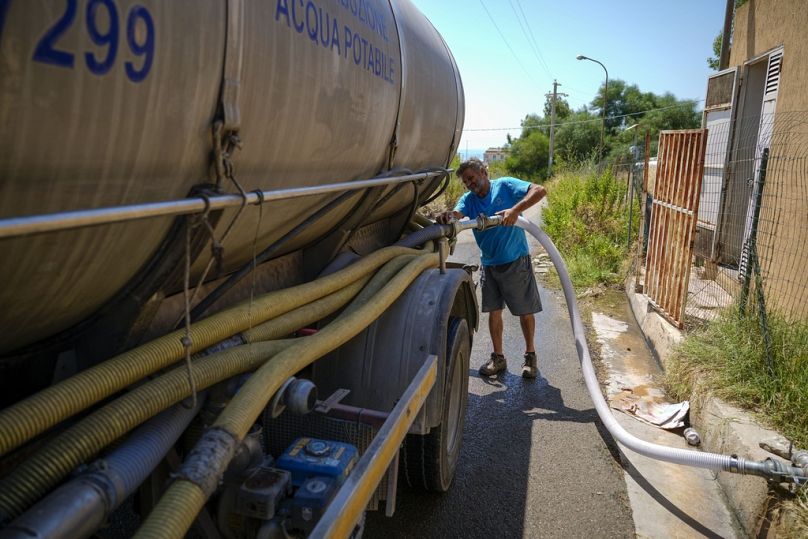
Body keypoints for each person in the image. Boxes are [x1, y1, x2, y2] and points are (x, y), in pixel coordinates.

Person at [437, 158, 546, 378]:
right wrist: (448, 216)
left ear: (484, 172)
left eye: (471, 178)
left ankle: (530, 356)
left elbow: (539, 190)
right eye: (466, 181)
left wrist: (515, 210)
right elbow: (457, 214)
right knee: (494, 312)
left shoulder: (505, 186)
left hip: (515, 260)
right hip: (489, 264)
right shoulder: (469, 200)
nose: (469, 184)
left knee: (525, 312)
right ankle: (498, 358)